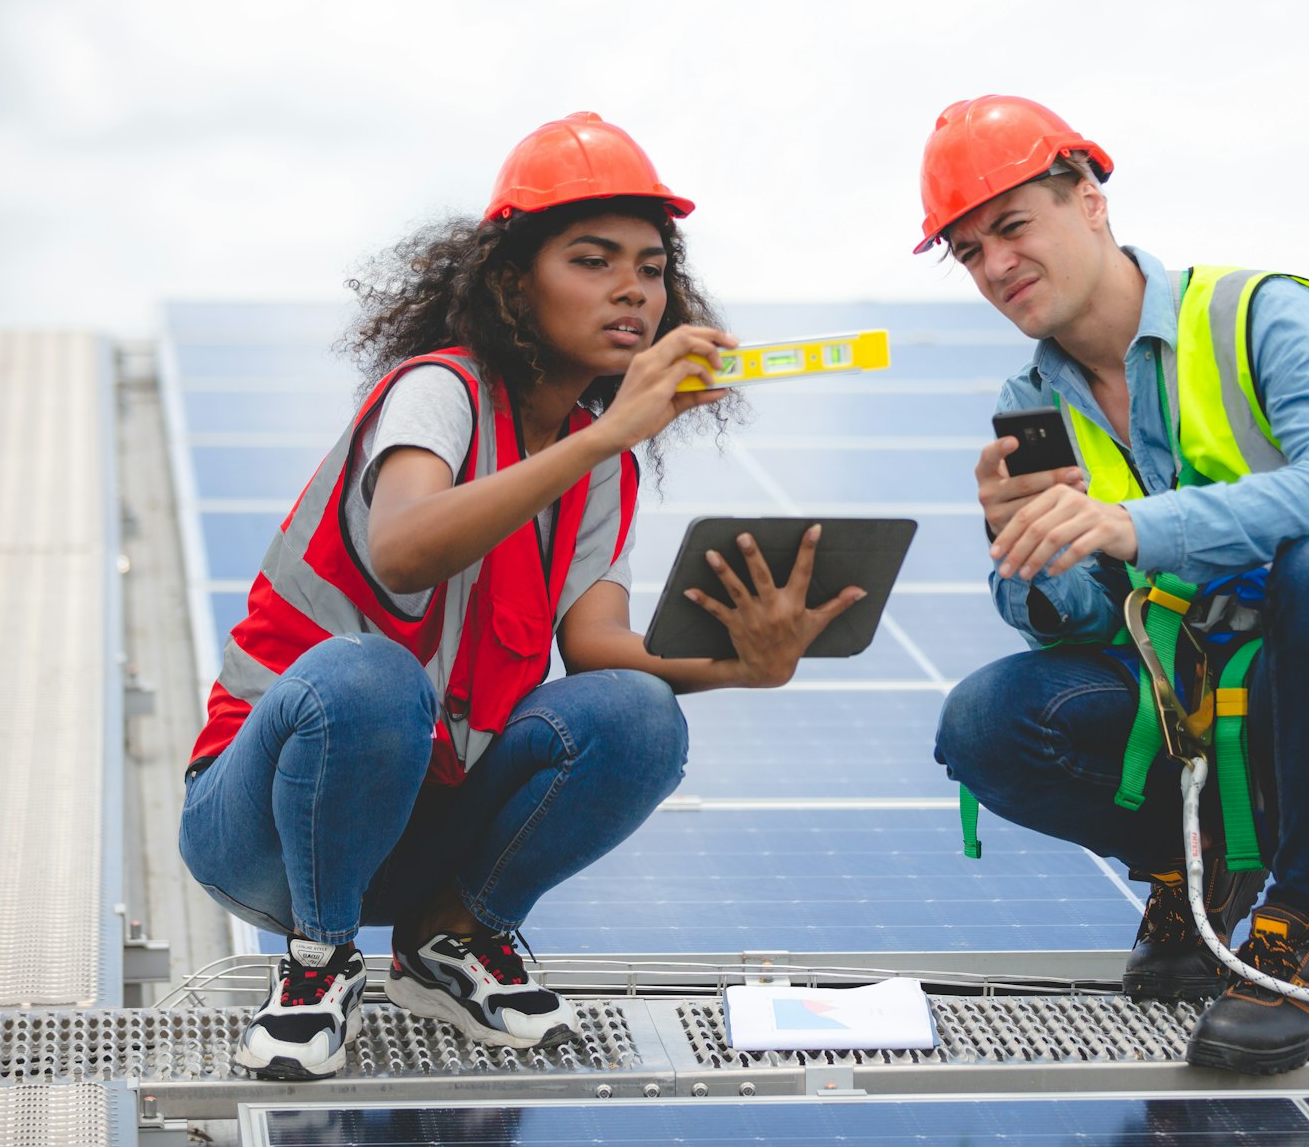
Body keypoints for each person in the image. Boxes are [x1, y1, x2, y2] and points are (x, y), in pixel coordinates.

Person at [179, 113, 864, 1080]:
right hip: (264, 822)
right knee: (371, 678)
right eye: (593, 259)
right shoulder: (440, 391)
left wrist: (740, 666)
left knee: (640, 715)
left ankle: (451, 935)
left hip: (417, 824)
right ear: (512, 282)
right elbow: (408, 548)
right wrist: (605, 434)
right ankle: (317, 960)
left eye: (654, 266)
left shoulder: (600, 465)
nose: (635, 288)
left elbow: (599, 654)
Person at [921, 96, 1309, 1075]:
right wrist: (1017, 545)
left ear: (1090, 200)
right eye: (966, 250)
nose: (992, 267)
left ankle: (1300, 932)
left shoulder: (1257, 313)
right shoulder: (1029, 402)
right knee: (983, 720)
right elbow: (1068, 631)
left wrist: (1133, 524)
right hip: (1182, 720)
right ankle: (1184, 869)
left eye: (1012, 226)